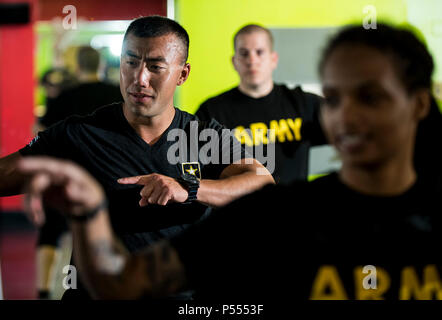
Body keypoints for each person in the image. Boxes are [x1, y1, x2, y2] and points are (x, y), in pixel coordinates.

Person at [18, 22, 442, 301]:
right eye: (334, 99)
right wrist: (89, 210)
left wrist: (191, 187)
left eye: (370, 97)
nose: (346, 117)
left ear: (420, 104)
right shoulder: (266, 218)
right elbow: (124, 285)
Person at [0, 15, 274, 300]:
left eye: (155, 66)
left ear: (182, 74)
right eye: (131, 62)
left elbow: (262, 183)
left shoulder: (202, 135)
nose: (139, 78)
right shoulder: (79, 134)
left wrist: (189, 188)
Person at [196, 24, 326, 184]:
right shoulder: (212, 111)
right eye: (244, 53)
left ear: (273, 59)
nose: (252, 60)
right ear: (234, 61)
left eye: (259, 52)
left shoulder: (305, 103)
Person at [38, 46, 123, 129]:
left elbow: (41, 129)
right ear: (101, 66)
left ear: (77, 67)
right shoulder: (117, 93)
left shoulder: (65, 97)